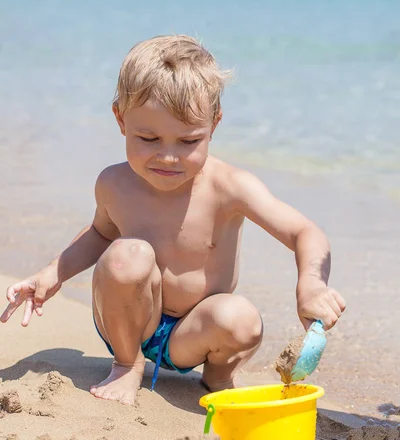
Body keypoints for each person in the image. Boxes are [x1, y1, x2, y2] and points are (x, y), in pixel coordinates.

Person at [0, 35, 346, 405]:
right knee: (125, 255)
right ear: (120, 120)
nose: (168, 157)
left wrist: (310, 284)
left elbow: (303, 231)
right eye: (148, 138)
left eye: (188, 142)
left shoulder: (229, 186)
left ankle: (218, 374)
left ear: (214, 124)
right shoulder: (115, 184)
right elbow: (100, 233)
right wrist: (53, 273)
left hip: (194, 333)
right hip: (130, 321)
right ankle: (127, 365)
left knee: (241, 318)